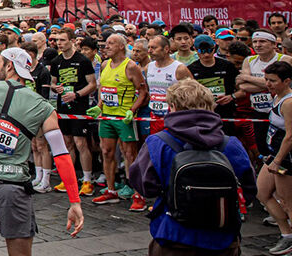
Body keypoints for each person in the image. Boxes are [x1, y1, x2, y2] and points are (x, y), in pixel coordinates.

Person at [0, 47, 83, 255]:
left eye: (0, 64)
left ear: (9, 65)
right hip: (15, 187)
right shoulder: (43, 106)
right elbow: (61, 155)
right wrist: (74, 201)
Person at [129, 79, 256, 256]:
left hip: (174, 232)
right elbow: (248, 189)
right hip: (222, 234)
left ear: (172, 106)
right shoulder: (230, 144)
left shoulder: (158, 142)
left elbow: (144, 186)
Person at [90, 33, 148, 210]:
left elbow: (143, 91)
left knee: (129, 154)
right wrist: (99, 105)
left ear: (121, 46)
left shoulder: (130, 66)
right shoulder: (105, 64)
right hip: (107, 117)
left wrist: (132, 110)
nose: (106, 47)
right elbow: (103, 88)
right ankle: (111, 190)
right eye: (105, 44)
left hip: (124, 118)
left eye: (110, 43)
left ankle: (138, 193)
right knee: (106, 151)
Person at [47, 29, 97, 195]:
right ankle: (69, 179)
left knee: (81, 143)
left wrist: (76, 94)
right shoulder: (56, 61)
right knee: (67, 143)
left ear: (72, 41)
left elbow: (92, 84)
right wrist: (57, 88)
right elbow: (53, 83)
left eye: (63, 40)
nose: (59, 43)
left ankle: (88, 180)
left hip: (79, 107)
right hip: (63, 108)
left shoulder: (82, 60)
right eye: (57, 40)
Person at [261, 61, 292, 254]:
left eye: (273, 80)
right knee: (262, 193)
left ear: (287, 81)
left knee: (287, 201)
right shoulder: (277, 97)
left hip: (285, 159)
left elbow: (290, 136)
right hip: (273, 155)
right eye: (266, 79)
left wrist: (278, 160)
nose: (268, 84)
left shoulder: (288, 103)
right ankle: (286, 234)